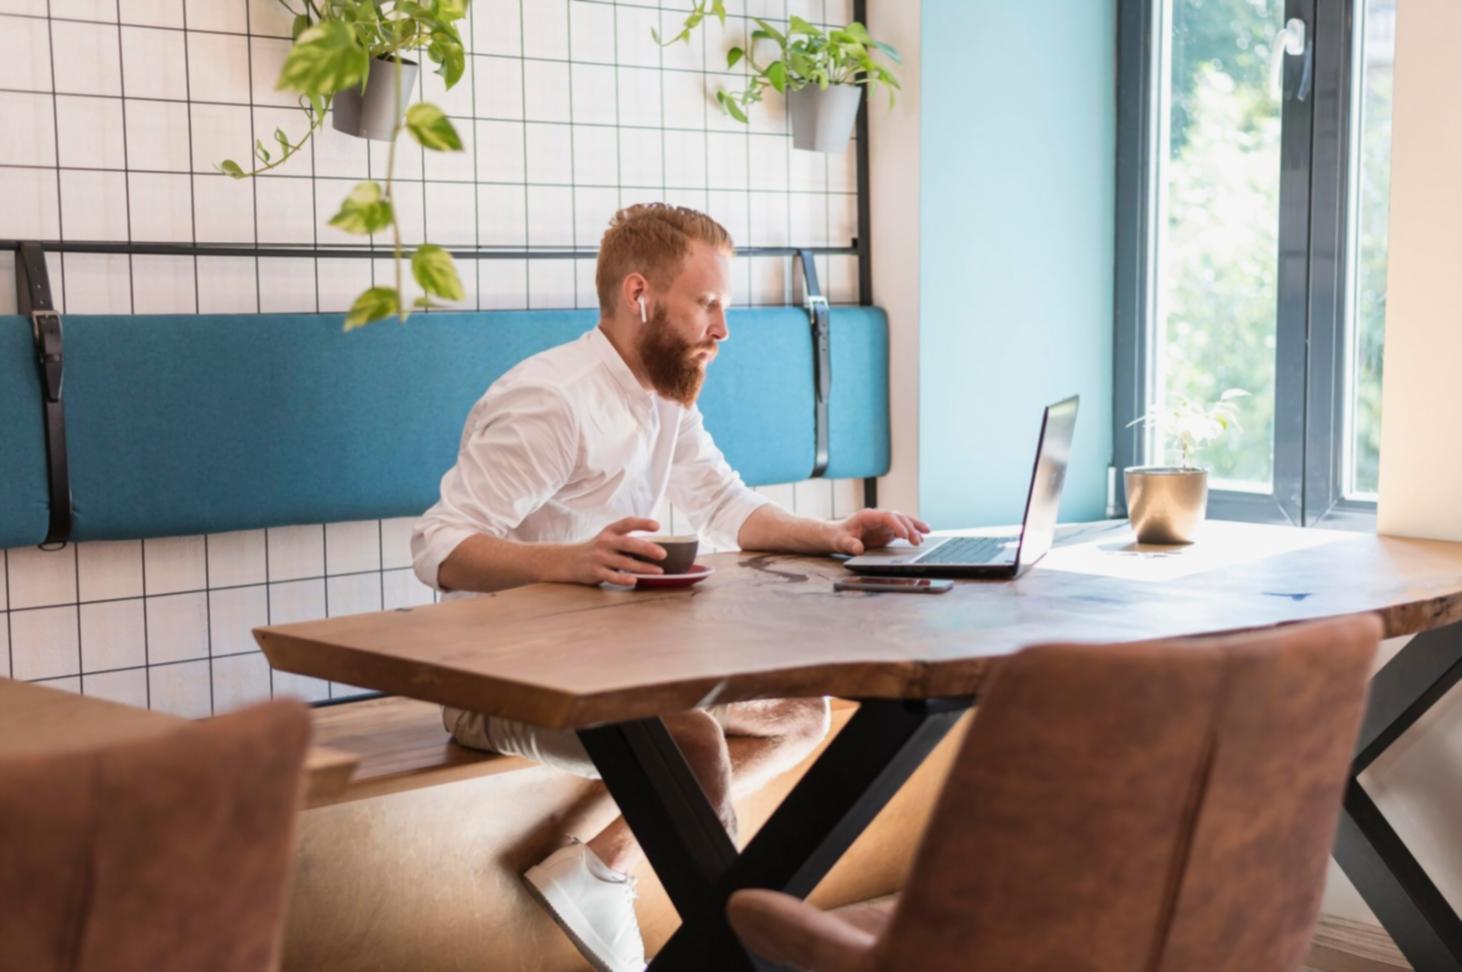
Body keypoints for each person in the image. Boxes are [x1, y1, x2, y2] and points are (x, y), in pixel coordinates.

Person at [411, 203, 929, 972]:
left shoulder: (663, 392)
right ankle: (735, 950)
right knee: (692, 735)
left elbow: (726, 504)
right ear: (641, 296)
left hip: (606, 659)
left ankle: (602, 866)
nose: (723, 329)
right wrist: (571, 561)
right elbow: (441, 546)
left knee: (799, 713)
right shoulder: (552, 401)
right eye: (707, 303)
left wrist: (837, 533)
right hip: (496, 679)